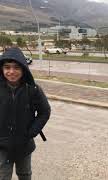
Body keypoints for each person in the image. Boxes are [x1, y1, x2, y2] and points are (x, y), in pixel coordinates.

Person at [0, 47, 51, 180]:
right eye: (7, 67)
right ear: (2, 69)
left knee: (25, 174)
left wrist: (31, 132)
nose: (11, 71)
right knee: (3, 176)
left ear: (23, 69)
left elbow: (44, 112)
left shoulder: (33, 89)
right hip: (2, 146)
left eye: (16, 67)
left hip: (24, 144)